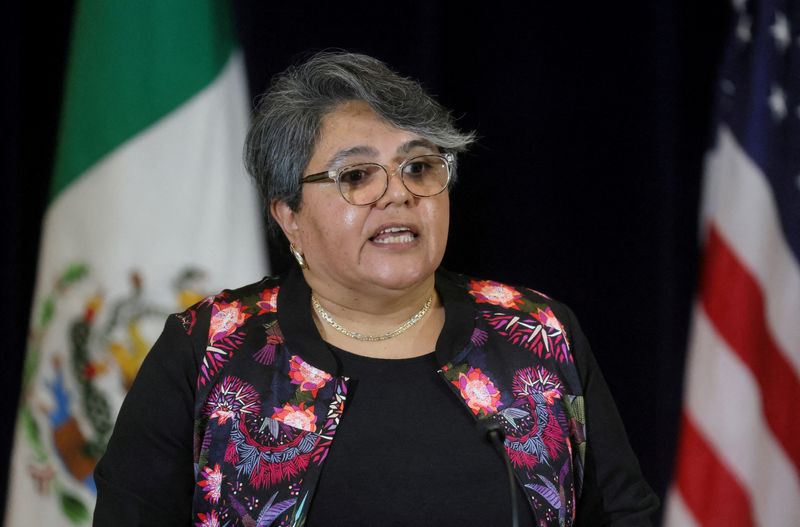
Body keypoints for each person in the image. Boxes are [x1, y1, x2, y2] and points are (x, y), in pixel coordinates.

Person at [93, 51, 658, 526]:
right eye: (357, 176)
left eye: (419, 167)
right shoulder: (209, 348)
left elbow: (624, 515)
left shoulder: (535, 333)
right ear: (289, 213)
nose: (398, 194)